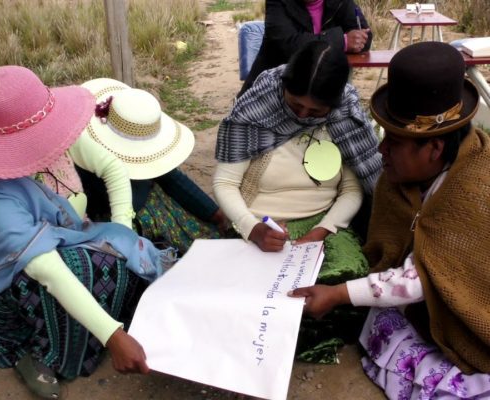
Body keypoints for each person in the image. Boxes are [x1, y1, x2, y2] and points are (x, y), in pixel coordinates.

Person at [289, 41, 490, 398]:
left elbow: (423, 278)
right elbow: (400, 244)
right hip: (421, 297)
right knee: (380, 322)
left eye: (393, 142)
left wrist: (336, 294)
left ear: (434, 148)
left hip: (475, 308)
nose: (381, 149)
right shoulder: (400, 181)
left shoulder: (475, 193)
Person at [0, 66, 176, 399]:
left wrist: (121, 228)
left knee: (120, 257)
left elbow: (112, 168)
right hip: (12, 276)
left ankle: (105, 316)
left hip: (73, 235)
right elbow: (44, 267)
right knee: (82, 269)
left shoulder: (53, 137)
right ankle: (42, 353)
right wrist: (112, 336)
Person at [214, 41, 381, 363]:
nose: (302, 116)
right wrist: (251, 228)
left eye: (315, 112)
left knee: (346, 276)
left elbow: (352, 189)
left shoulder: (345, 117)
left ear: (333, 104)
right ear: (283, 89)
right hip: (260, 222)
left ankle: (282, 343)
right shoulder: (255, 109)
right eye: (294, 105)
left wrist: (322, 230)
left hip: (322, 221)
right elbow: (225, 183)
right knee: (244, 288)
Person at [75, 78, 229, 256]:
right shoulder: (82, 158)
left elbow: (172, 178)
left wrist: (212, 212)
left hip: (161, 211)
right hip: (116, 228)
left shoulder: (150, 165)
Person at [239, 0, 372, 95]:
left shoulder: (341, 2)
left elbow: (365, 35)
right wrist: (343, 41)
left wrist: (358, 40)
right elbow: (288, 44)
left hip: (321, 90)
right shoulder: (278, 2)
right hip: (273, 88)